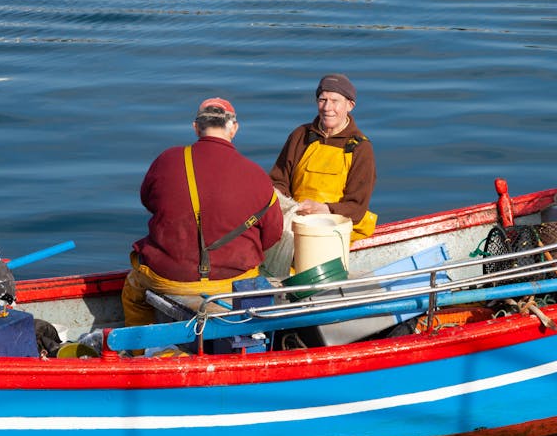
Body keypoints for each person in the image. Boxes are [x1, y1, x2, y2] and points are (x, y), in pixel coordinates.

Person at [121, 97, 282, 328]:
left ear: (196, 127)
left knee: (133, 291)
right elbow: (273, 235)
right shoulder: (257, 175)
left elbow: (148, 202)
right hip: (233, 279)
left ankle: (141, 344)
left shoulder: (167, 160)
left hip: (170, 277)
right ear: (234, 128)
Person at [269, 73, 377, 242]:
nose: (327, 107)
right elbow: (278, 181)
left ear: (350, 105)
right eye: (322, 100)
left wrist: (324, 210)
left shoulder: (360, 147)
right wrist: (288, 206)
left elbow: (357, 207)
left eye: (335, 101)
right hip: (297, 222)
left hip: (336, 227)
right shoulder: (300, 136)